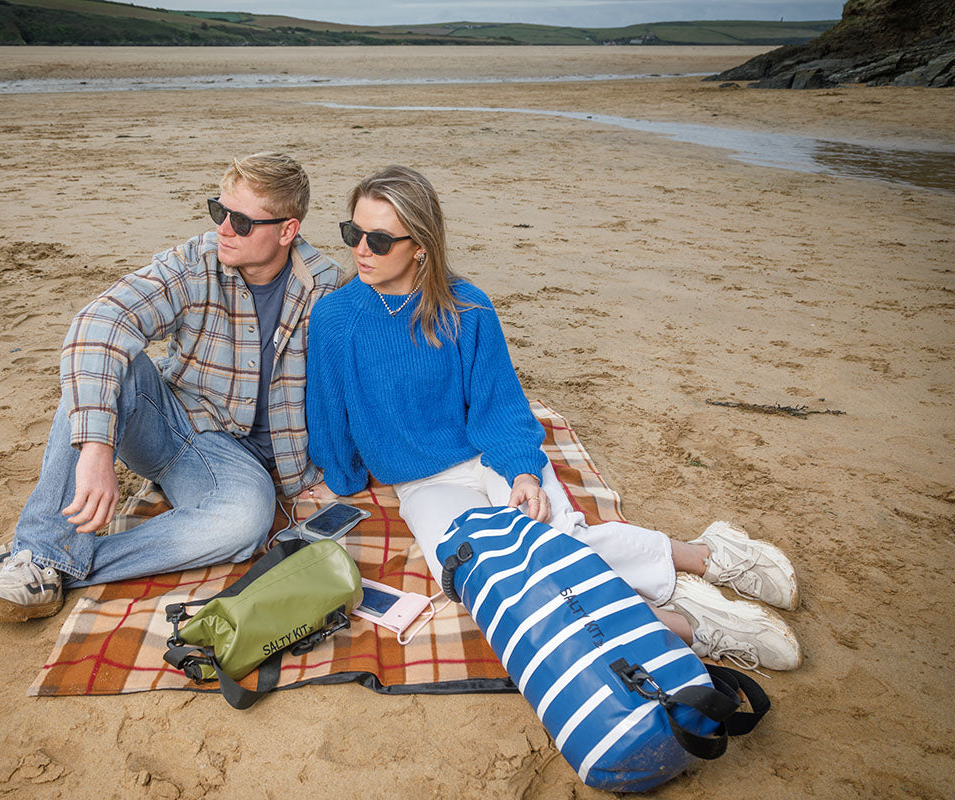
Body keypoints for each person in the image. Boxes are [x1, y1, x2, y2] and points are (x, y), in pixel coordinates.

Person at [306, 165, 802, 670]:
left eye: (379, 239)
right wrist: (341, 479)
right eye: (353, 233)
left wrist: (522, 470)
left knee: (561, 539)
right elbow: (328, 412)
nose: (361, 250)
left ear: (421, 245)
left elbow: (500, 404)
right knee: (484, 582)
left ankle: (702, 556)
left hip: (489, 453)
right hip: (422, 483)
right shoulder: (335, 318)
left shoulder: (467, 307)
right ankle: (688, 625)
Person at [0, 152, 341, 622]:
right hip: (170, 422)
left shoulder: (325, 288)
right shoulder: (195, 262)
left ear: (287, 231)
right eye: (219, 211)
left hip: (240, 468)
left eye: (242, 222)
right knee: (107, 361)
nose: (224, 229)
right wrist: (94, 446)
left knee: (246, 524)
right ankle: (41, 554)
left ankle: (39, 565)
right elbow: (100, 322)